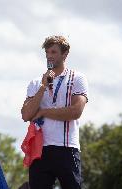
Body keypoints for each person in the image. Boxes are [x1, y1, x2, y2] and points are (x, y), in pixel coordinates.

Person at [21, 35, 89, 189]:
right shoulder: (36, 82)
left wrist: (44, 112)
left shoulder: (77, 78)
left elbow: (76, 111)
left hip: (67, 147)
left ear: (65, 54)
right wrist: (43, 86)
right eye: (47, 52)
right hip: (40, 149)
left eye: (54, 52)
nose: (49, 56)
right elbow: (26, 115)